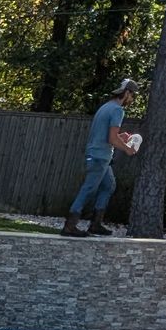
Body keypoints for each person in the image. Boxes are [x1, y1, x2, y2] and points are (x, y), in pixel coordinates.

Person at [63, 79, 140, 236]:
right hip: (100, 157)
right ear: (127, 93)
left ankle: (96, 224)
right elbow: (111, 139)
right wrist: (127, 149)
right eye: (132, 96)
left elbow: (108, 136)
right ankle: (69, 226)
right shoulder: (117, 110)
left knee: (108, 185)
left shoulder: (106, 107)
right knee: (88, 188)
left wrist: (121, 137)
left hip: (99, 155)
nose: (132, 100)